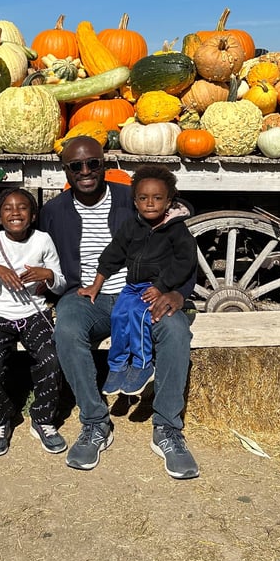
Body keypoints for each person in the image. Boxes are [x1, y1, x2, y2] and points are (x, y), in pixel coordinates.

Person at [40, 137, 199, 480]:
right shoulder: (54, 212)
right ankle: (95, 423)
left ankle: (168, 428)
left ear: (104, 163)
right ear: (65, 171)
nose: (85, 172)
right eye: (75, 166)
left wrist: (179, 295)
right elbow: (43, 255)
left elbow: (183, 252)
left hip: (143, 296)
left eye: (93, 163)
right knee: (66, 329)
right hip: (88, 298)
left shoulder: (133, 198)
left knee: (174, 331)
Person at [79, 165, 196, 399]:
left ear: (169, 201)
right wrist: (96, 284)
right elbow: (113, 254)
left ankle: (142, 364)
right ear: (135, 201)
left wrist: (162, 287)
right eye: (143, 198)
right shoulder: (132, 226)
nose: (150, 203)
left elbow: (185, 263)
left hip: (156, 289)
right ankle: (117, 365)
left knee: (139, 315)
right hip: (132, 286)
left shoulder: (177, 230)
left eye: (157, 198)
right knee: (119, 316)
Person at [0, 187, 67, 457]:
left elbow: (60, 286)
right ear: (0, 218)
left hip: (34, 312)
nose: (15, 212)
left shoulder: (43, 240)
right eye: (8, 208)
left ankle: (43, 419)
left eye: (23, 207)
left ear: (33, 215)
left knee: (51, 360)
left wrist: (47, 274)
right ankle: (0, 419)